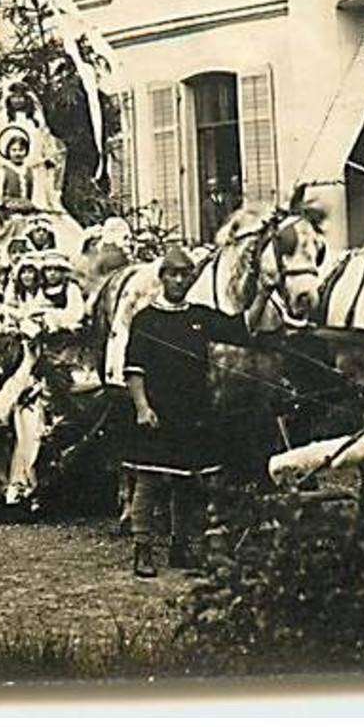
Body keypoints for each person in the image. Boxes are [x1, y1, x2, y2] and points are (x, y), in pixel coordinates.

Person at [121, 244, 268, 578]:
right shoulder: (145, 320)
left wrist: (264, 293)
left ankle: (180, 546)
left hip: (194, 412)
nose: (179, 281)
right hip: (157, 412)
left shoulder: (199, 317)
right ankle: (142, 549)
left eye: (185, 274)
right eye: (173, 274)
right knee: (150, 480)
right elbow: (133, 369)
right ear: (162, 278)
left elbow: (241, 327)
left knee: (187, 481)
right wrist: (142, 407)